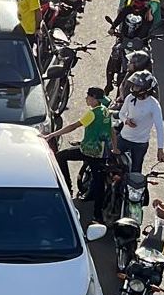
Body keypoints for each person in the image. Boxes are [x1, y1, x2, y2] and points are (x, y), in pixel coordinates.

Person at [40, 88, 112, 223]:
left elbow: (73, 126)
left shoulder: (91, 114)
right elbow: (111, 130)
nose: (86, 99)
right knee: (99, 183)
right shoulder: (106, 111)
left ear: (94, 99)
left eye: (88, 97)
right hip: (103, 153)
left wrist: (51, 135)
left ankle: (67, 186)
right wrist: (115, 148)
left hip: (89, 151)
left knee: (61, 156)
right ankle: (98, 215)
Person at [115, 70, 164, 172]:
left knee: (135, 171)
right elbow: (121, 114)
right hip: (123, 138)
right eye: (134, 85)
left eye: (137, 86)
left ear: (145, 89)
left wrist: (160, 149)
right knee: (113, 163)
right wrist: (126, 121)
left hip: (140, 144)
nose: (134, 88)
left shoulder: (154, 105)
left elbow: (159, 127)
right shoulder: (130, 98)